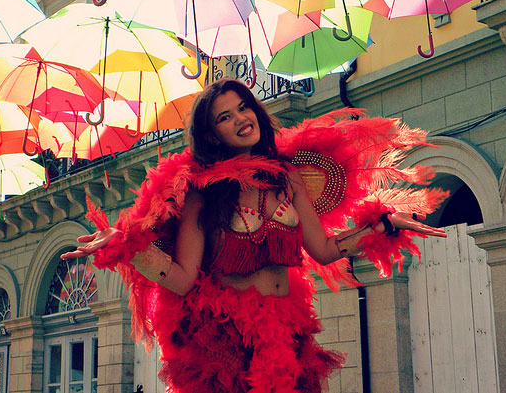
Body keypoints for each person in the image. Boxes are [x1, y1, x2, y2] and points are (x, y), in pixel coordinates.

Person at [63, 78, 446, 393]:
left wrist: (384, 225)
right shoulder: (203, 192)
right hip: (226, 342)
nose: (241, 119)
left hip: (290, 334)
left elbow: (326, 250)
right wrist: (128, 247)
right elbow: (181, 279)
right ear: (212, 136)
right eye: (225, 117)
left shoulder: (287, 176)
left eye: (243, 107)